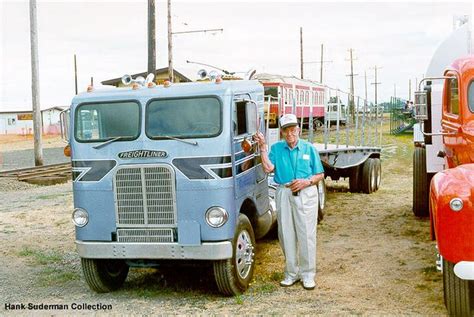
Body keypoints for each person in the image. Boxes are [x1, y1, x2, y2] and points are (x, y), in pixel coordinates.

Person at [254, 113, 324, 290]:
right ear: (282, 133)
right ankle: (291, 273)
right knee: (286, 233)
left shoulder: (309, 149)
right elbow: (269, 168)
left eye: (293, 129)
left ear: (298, 130)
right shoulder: (277, 149)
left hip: (306, 193)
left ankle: (308, 275)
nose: (290, 133)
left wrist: (306, 182)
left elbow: (320, 174)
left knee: (306, 234)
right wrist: (262, 147)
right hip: (284, 192)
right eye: (286, 130)